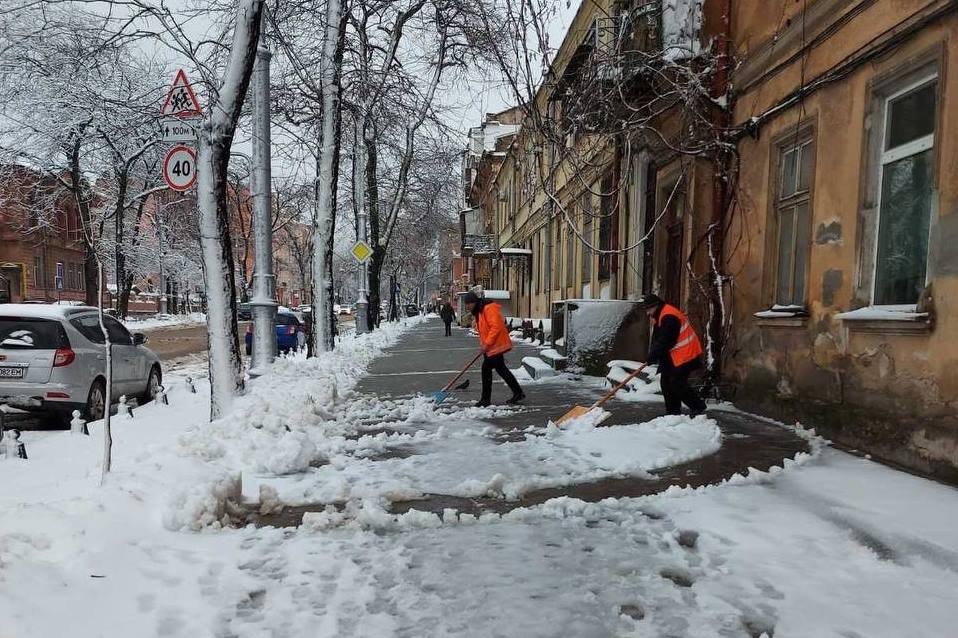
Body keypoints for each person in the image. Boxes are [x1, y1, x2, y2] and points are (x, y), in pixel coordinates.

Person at [638, 293, 707, 417]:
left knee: (676, 382)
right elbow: (658, 339)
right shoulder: (660, 315)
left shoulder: (669, 316)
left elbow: (666, 340)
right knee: (666, 383)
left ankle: (697, 406)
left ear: (656, 306)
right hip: (673, 355)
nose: (647, 313)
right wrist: (653, 354)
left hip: (686, 354)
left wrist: (653, 356)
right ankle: (672, 414)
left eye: (649, 309)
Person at [463, 291, 525, 407]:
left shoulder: (488, 308)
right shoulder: (479, 311)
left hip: (496, 346)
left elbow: (495, 327)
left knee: (486, 370)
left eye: (468, 304)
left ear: (473, 302)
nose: (466, 306)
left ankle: (486, 399)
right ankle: (518, 392)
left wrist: (487, 344)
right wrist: (483, 343)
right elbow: (484, 330)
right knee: (501, 370)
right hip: (491, 347)